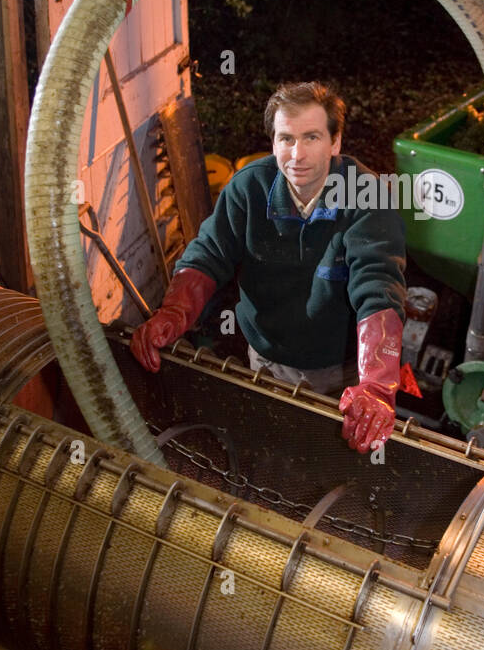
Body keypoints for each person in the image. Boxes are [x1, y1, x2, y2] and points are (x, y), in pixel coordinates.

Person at [130, 82, 406, 454]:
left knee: (333, 458)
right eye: (286, 139)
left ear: (335, 142)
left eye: (312, 137)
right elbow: (209, 253)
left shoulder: (367, 196)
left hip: (342, 371)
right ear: (273, 142)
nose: (298, 154)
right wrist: (174, 311)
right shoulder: (249, 189)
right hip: (266, 361)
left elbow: (378, 285)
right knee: (272, 450)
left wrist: (375, 387)